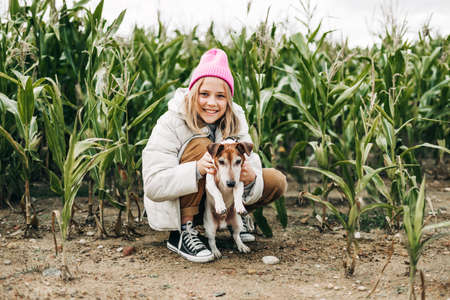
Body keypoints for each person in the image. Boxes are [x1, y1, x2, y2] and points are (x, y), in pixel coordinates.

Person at [142, 48, 287, 263]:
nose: (212, 103)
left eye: (220, 96)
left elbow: (252, 161)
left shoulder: (235, 118)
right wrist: (197, 169)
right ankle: (184, 230)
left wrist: (250, 179)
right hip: (179, 204)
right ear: (193, 93)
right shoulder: (170, 122)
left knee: (275, 180)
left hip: (218, 199)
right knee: (203, 145)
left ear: (228, 99)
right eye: (204, 94)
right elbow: (153, 185)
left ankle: (236, 217)